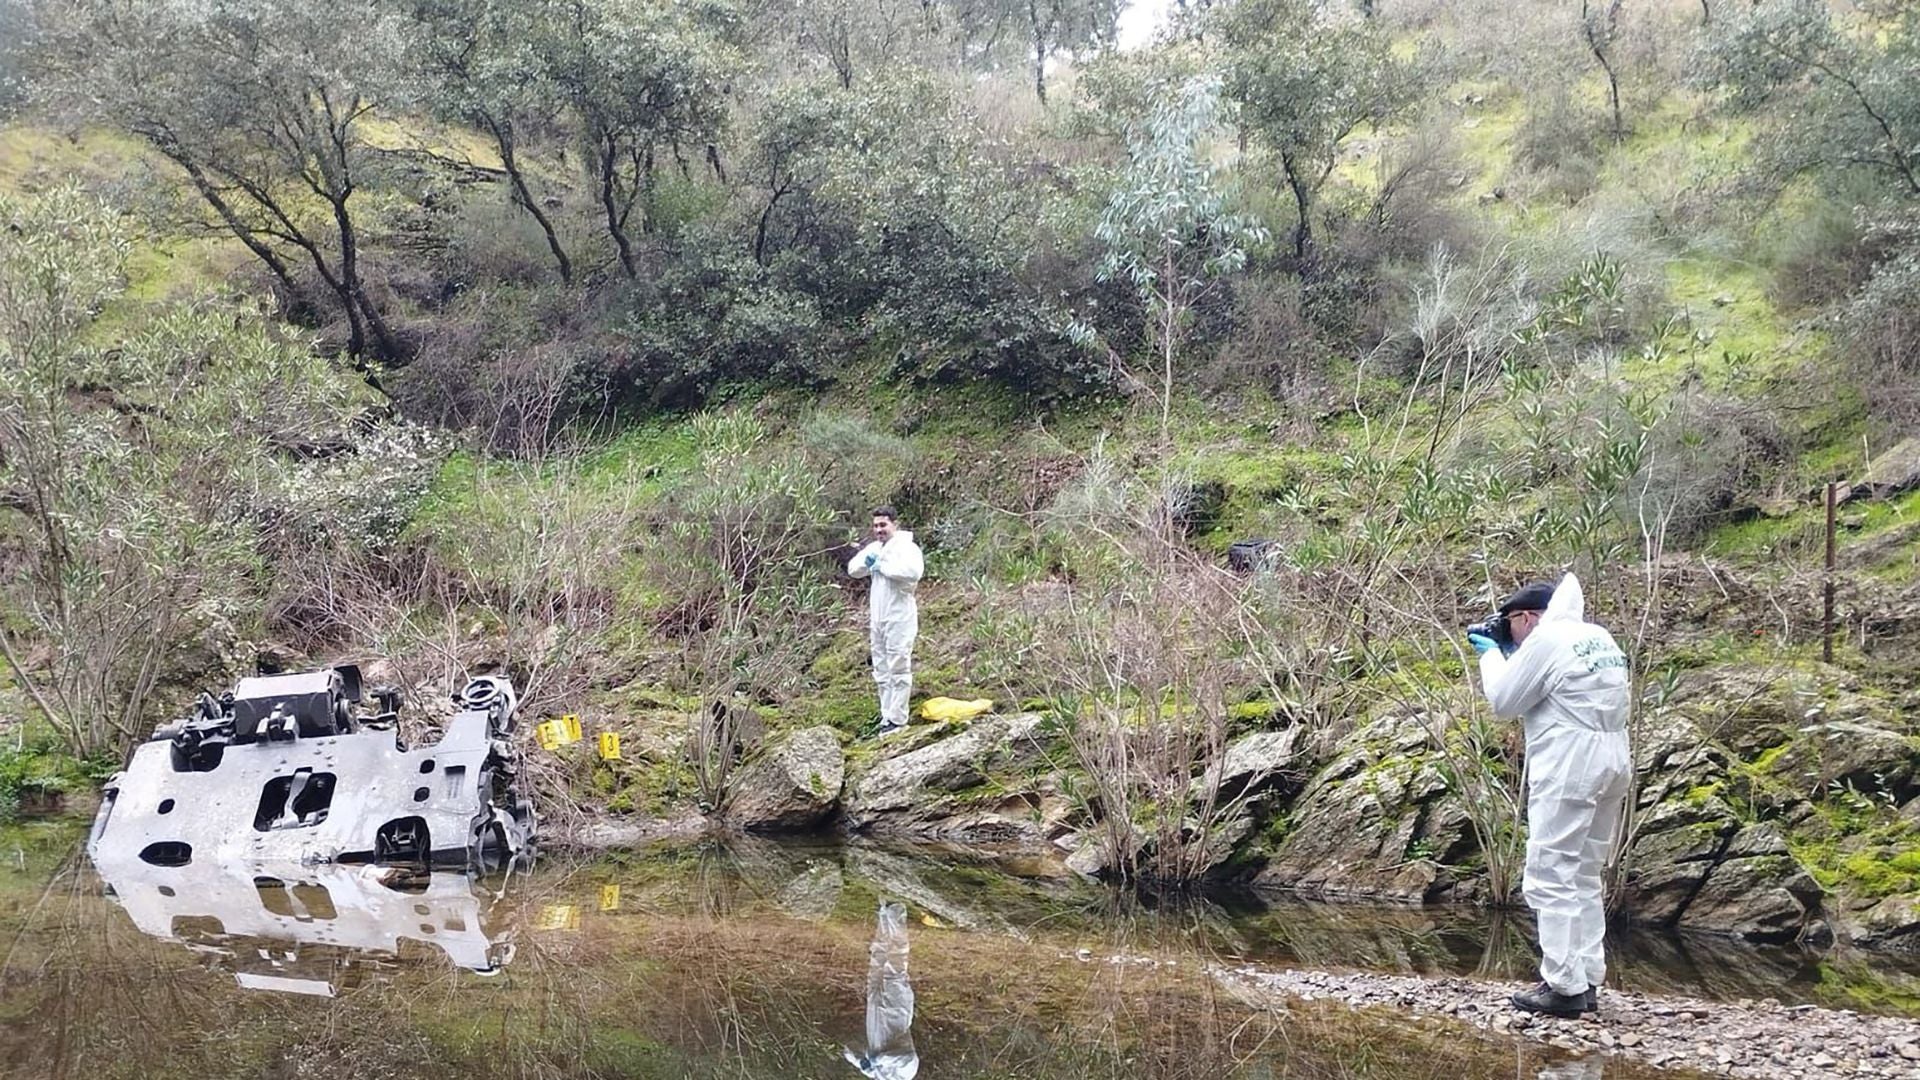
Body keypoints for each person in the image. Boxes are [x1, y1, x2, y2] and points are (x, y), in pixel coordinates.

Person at [1468, 573, 1632, 1018]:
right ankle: (1588, 977)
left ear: (1526, 618)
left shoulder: (1546, 638)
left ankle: (1562, 986)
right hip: (1614, 759)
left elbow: (1503, 701)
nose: (1512, 637)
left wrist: (1490, 654)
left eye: (1511, 626)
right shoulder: (1597, 636)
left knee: (1550, 873)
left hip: (1570, 764)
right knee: (1585, 872)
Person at [847, 507, 923, 735]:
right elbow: (853, 569)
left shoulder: (907, 548)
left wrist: (884, 567)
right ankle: (886, 716)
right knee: (881, 669)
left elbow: (913, 572)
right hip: (878, 617)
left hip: (900, 616)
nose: (879, 529)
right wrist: (868, 563)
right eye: (876, 525)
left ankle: (898, 719)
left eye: (883, 525)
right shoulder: (874, 548)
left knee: (898, 666)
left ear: (894, 524)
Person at [842, 901, 918, 1080]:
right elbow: (906, 1058)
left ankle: (884, 914)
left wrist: (861, 1063)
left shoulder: (878, 1075)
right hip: (896, 1013)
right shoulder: (906, 1075)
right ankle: (896, 911)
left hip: (875, 1012)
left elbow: (848, 1049)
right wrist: (878, 1060)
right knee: (896, 964)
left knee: (878, 957)